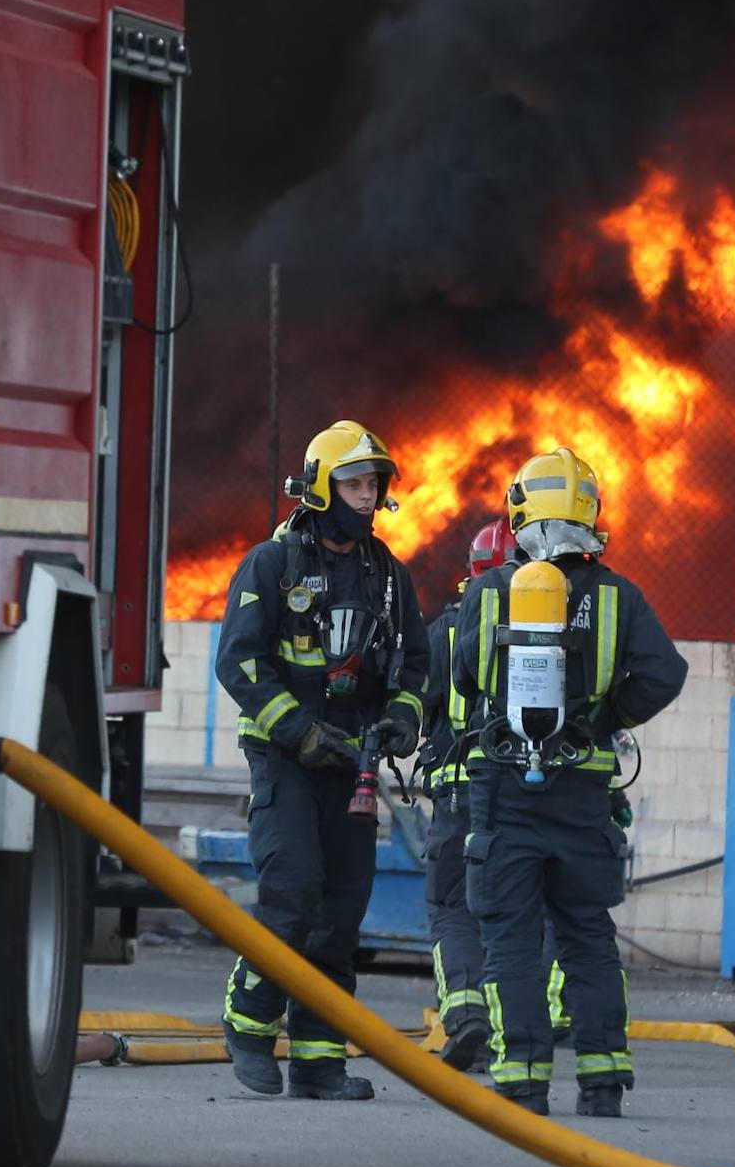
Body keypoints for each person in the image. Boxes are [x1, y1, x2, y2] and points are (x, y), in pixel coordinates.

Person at [453, 447, 688, 1118]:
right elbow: (665, 674)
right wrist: (601, 718)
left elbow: (467, 676)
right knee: (586, 936)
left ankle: (523, 1085)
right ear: (590, 513)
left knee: (512, 942)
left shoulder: (493, 590)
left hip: (505, 791)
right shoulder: (619, 597)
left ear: (520, 512)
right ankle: (603, 1081)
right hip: (584, 798)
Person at [216, 421, 429, 1101]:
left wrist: (401, 719)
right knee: (293, 891)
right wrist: (299, 732)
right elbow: (240, 660)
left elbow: (416, 668)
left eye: (374, 484)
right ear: (319, 488)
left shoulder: (390, 579)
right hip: (286, 760)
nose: (369, 496)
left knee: (341, 909)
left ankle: (317, 1056)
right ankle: (248, 1023)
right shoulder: (272, 565)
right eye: (356, 482)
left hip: (354, 766)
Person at [419, 518, 517, 1072]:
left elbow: (417, 705)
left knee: (452, 909)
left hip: (457, 803)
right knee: (510, 915)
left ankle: (464, 1014)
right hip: (522, 801)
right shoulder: (550, 629)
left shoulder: (444, 633)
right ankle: (512, 1033)